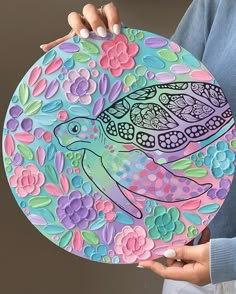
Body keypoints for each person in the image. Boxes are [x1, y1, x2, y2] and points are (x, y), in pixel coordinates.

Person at [40, 1, 236, 293]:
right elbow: (165, 74)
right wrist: (98, 56)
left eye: (77, 129)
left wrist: (230, 258)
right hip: (193, 262)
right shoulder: (220, 4)